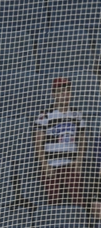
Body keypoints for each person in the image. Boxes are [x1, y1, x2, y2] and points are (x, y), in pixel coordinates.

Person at [35, 77, 87, 206]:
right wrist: (44, 165)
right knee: (54, 199)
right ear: (54, 94)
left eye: (67, 91)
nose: (64, 95)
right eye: (60, 92)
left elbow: (82, 139)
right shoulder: (45, 115)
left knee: (77, 199)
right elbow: (38, 141)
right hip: (52, 164)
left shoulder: (77, 114)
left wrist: (78, 161)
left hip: (71, 164)